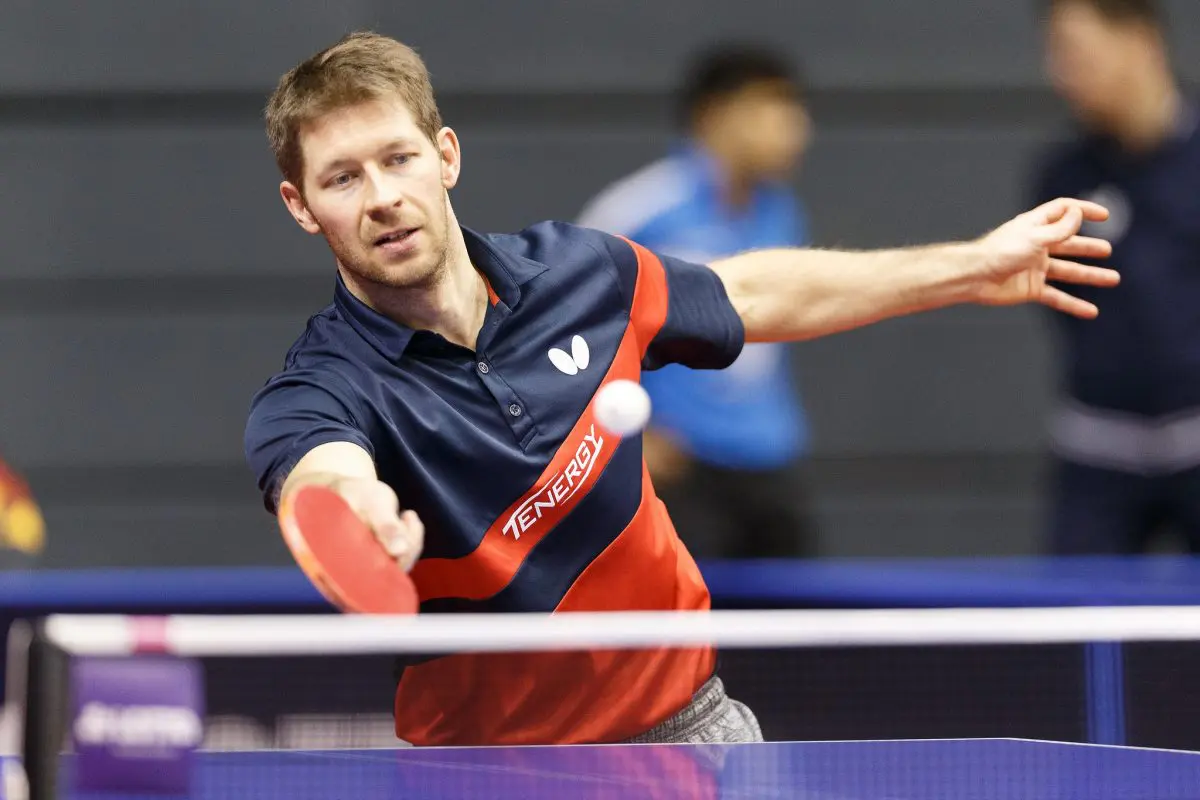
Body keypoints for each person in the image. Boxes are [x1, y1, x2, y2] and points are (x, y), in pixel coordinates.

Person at [244, 31, 1117, 747]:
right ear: (300, 205)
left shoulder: (579, 273)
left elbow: (751, 293)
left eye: (398, 159)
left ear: (445, 157)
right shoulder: (321, 385)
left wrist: (972, 267)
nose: (382, 197)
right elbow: (324, 471)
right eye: (343, 177)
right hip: (488, 771)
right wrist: (358, 514)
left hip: (688, 731)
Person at [576, 45, 816, 559]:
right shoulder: (641, 209)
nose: (795, 127)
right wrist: (628, 434)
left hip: (769, 458)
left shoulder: (782, 213)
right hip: (681, 470)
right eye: (772, 106)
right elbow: (565, 317)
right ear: (715, 114)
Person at [1034, 0, 1200, 553]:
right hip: (1098, 447)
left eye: (1075, 52)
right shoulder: (1062, 177)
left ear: (1141, 41)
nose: (1061, 73)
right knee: (1072, 601)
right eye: (1055, 54)